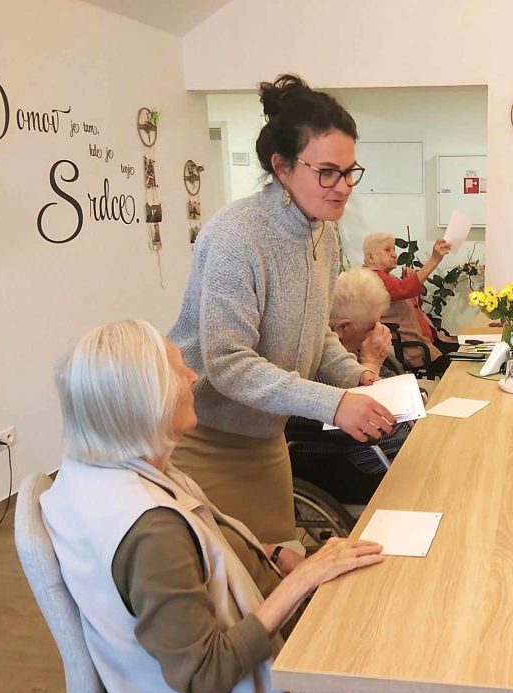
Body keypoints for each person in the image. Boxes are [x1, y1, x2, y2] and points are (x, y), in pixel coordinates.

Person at [42, 319, 385, 693]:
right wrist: (304, 581)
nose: (193, 377)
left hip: (234, 677)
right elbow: (205, 674)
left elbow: (200, 548)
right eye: (178, 370)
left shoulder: (104, 475)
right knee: (386, 661)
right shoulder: (151, 531)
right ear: (145, 399)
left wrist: (275, 554)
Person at [168, 75, 394, 545]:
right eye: (327, 171)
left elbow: (318, 332)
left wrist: (355, 376)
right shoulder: (237, 236)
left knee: (279, 566)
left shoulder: (324, 234)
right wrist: (333, 403)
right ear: (283, 167)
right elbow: (229, 364)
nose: (343, 187)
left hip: (267, 437)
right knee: (226, 578)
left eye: (349, 171)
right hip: (206, 440)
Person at [288, 269, 414, 503]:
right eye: (372, 327)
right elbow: (360, 424)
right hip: (362, 465)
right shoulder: (315, 367)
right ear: (343, 328)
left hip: (400, 448)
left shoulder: (352, 351)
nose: (380, 333)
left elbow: (388, 383)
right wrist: (371, 362)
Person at [363, 232, 457, 373]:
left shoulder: (388, 277)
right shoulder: (372, 279)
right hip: (416, 349)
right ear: (371, 258)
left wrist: (408, 280)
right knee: (464, 363)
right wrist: (434, 260)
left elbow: (412, 304)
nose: (394, 254)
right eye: (387, 250)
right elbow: (403, 289)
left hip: (428, 343)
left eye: (394, 249)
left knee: (470, 351)